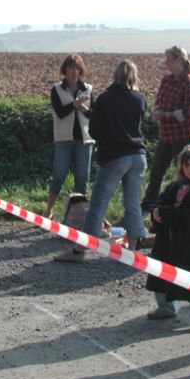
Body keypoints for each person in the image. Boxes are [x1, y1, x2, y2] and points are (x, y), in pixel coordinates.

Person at [55, 59, 147, 262]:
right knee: (133, 204)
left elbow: (95, 130)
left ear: (115, 75)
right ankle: (132, 250)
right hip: (138, 156)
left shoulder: (105, 99)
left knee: (97, 205)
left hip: (114, 157)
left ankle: (79, 250)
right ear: (134, 76)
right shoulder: (140, 98)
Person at [145, 144, 190, 332]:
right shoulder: (175, 186)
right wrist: (156, 211)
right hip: (169, 241)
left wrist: (168, 213)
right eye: (186, 165)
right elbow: (161, 202)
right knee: (160, 274)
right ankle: (166, 308)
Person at [141, 46, 190, 211]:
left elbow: (189, 112)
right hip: (166, 134)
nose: (166, 62)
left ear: (178, 60)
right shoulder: (166, 79)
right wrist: (157, 111)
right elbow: (158, 100)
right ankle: (149, 203)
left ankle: (187, 204)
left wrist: (165, 114)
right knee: (156, 170)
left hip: (182, 135)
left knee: (185, 171)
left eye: (168, 59)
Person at [44, 54, 95, 220]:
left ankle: (78, 216)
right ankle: (49, 210)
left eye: (77, 68)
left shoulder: (88, 89)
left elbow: (95, 115)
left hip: (84, 140)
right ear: (65, 70)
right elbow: (60, 112)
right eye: (71, 67)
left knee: (82, 180)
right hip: (63, 140)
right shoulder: (57, 89)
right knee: (58, 176)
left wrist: (83, 109)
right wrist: (75, 104)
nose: (74, 71)